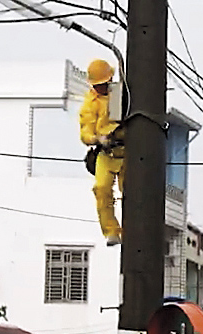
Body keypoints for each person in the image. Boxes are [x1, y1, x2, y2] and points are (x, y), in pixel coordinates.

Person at [79, 58, 125, 246]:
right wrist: (97, 139)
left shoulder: (122, 94)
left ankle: (132, 232)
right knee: (102, 189)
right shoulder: (90, 103)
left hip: (128, 151)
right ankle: (111, 231)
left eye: (104, 84)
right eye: (98, 85)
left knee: (130, 192)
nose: (101, 88)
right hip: (106, 152)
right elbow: (85, 132)